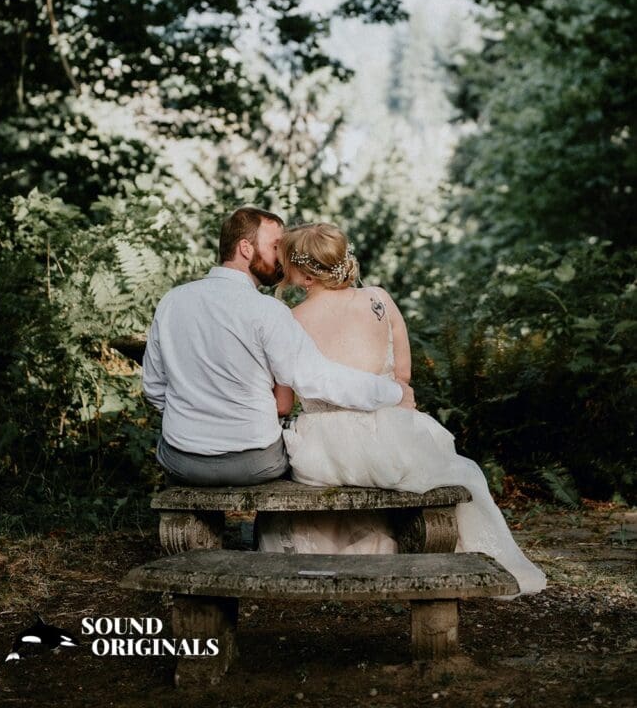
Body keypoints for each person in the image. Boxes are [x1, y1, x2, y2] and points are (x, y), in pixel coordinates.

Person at [256, 222, 546, 598]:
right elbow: (404, 378)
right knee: (449, 471)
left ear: (306, 275)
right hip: (389, 432)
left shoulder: (292, 320)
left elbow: (285, 398)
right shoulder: (378, 299)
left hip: (326, 446)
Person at [142, 207, 416, 487]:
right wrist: (392, 391)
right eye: (275, 246)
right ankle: (257, 532)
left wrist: (191, 420)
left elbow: (153, 388)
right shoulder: (269, 311)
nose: (282, 258)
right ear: (246, 248)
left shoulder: (171, 302)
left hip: (182, 460)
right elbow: (316, 379)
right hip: (254, 461)